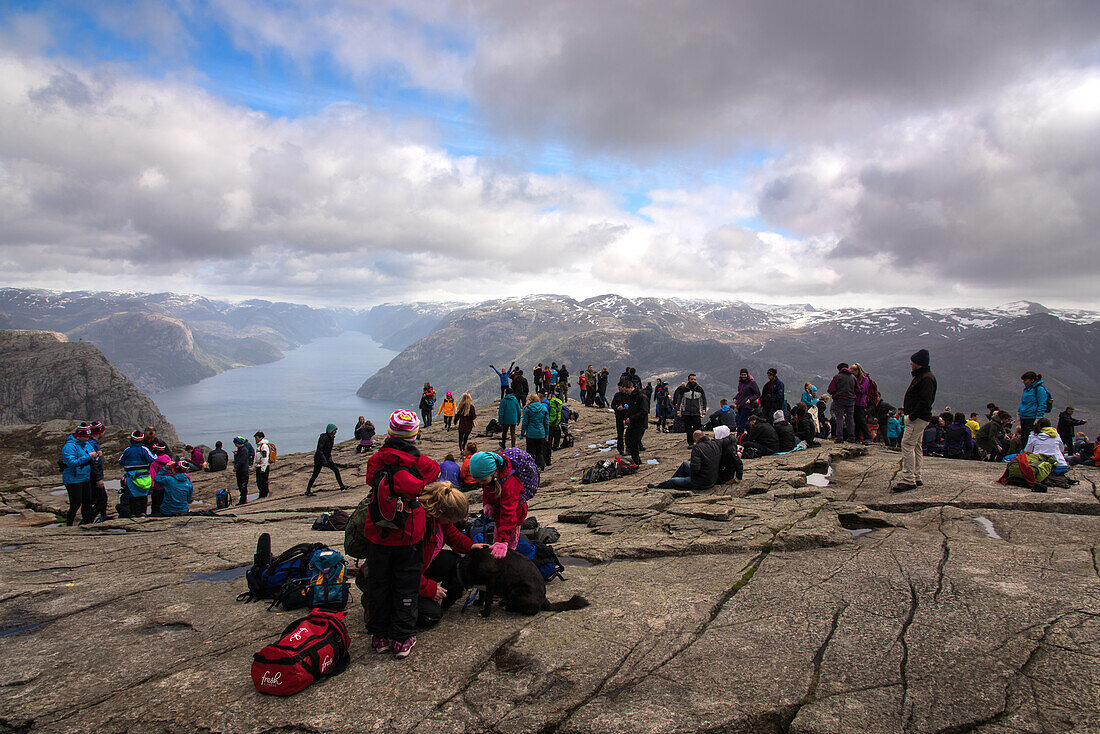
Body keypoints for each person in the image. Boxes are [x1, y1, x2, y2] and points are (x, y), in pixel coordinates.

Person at [363, 410, 441, 660]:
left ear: (389, 433)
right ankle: (401, 638)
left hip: (378, 532)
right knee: (406, 584)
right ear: (414, 436)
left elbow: (369, 481)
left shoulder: (376, 461)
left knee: (379, 583)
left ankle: (380, 636)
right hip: (409, 533)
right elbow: (434, 473)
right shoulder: (423, 464)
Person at [411, 482, 486, 628]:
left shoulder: (438, 519)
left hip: (420, 568)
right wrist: (429, 588)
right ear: (440, 513)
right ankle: (380, 603)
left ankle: (445, 596)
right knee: (432, 615)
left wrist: (471, 546)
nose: (452, 523)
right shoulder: (418, 526)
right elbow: (406, 568)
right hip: (399, 577)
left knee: (454, 560)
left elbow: (453, 536)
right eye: (452, 520)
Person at [467, 451, 527, 559]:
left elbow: (509, 514)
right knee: (497, 537)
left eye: (483, 480)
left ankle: (508, 559)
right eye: (478, 481)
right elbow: (486, 492)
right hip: (499, 513)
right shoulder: (489, 479)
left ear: (494, 472)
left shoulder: (509, 484)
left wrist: (502, 541)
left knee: (508, 547)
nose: (481, 483)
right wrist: (487, 504)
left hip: (514, 516)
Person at [894, 349, 937, 492]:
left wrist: (912, 415)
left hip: (917, 417)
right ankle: (916, 476)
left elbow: (925, 400)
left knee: (907, 445)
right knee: (917, 447)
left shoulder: (925, 378)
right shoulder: (926, 376)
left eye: (912, 362)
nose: (910, 364)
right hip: (921, 417)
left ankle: (908, 479)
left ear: (918, 363)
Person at [648, 429, 742, 491]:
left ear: (696, 440)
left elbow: (695, 469)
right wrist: (732, 437)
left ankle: (658, 488)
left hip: (701, 482)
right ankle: (675, 482)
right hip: (712, 477)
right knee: (685, 463)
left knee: (673, 481)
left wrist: (692, 476)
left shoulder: (697, 448)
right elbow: (727, 440)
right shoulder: (716, 444)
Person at [60, 424, 99, 526]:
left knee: (87, 501)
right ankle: (69, 524)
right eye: (85, 437)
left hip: (85, 477)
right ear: (79, 435)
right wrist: (88, 457)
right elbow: (71, 462)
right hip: (73, 479)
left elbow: (92, 455)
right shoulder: (69, 446)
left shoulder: (86, 444)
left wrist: (96, 455)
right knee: (76, 503)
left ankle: (85, 523)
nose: (87, 439)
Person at [118, 430, 155, 517]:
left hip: (131, 476)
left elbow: (120, 461)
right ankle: (143, 513)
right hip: (143, 475)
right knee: (143, 495)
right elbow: (152, 458)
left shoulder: (127, 450)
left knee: (132, 495)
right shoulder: (144, 449)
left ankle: (133, 513)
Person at [305, 424, 347, 496]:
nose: (335, 431)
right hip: (319, 459)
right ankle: (307, 491)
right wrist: (324, 461)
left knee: (336, 470)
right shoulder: (323, 437)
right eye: (334, 430)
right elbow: (319, 450)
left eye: (336, 430)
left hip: (327, 458)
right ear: (330, 430)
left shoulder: (332, 438)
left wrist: (329, 459)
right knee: (315, 475)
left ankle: (342, 487)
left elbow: (329, 450)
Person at [673, 374, 707, 447]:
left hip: (696, 412)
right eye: (692, 379)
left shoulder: (699, 389)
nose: (693, 381)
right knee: (688, 429)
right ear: (688, 380)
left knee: (697, 429)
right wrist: (678, 411)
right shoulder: (684, 390)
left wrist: (703, 409)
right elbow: (679, 401)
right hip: (686, 412)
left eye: (694, 379)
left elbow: (703, 400)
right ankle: (690, 443)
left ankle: (699, 443)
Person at [620, 379, 648, 465]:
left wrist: (631, 418)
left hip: (640, 424)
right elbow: (630, 410)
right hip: (632, 423)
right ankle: (636, 459)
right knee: (628, 440)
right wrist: (625, 418)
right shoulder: (631, 397)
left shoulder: (641, 397)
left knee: (634, 443)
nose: (626, 392)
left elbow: (644, 412)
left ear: (631, 387)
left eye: (626, 390)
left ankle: (636, 461)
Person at [827, 363, 857, 442]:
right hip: (850, 400)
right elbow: (857, 389)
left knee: (839, 418)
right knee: (850, 418)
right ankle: (852, 436)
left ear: (839, 369)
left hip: (839, 400)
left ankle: (839, 437)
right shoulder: (853, 377)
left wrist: (836, 393)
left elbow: (830, 389)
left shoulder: (837, 377)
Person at [520, 394, 550, 469]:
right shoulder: (544, 409)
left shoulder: (528, 409)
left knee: (530, 452)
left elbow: (524, 423)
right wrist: (546, 435)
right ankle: (540, 467)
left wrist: (522, 434)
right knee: (540, 452)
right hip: (541, 434)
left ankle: (531, 468)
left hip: (530, 434)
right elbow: (546, 423)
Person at [1018, 371, 1052, 436]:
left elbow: (1042, 404)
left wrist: (1039, 417)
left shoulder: (1039, 389)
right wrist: (1019, 412)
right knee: (1024, 436)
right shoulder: (1027, 389)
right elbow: (1023, 402)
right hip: (1024, 416)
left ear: (1032, 380)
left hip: (1032, 417)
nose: (1023, 382)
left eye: (1025, 380)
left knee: (1029, 436)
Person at [88, 421, 108, 521]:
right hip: (94, 477)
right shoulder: (92, 444)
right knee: (102, 499)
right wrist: (98, 478)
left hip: (93, 476)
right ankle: (89, 519)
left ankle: (102, 516)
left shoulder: (91, 443)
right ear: (99, 432)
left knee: (100, 499)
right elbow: (94, 463)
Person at [851, 363, 874, 444]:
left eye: (855, 370)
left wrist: (854, 388)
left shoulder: (865, 379)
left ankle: (868, 437)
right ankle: (857, 437)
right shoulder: (855, 378)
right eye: (852, 370)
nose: (853, 371)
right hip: (855, 402)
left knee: (861, 420)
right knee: (856, 420)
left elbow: (862, 390)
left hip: (861, 402)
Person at [149, 441, 173, 515]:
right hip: (168, 486)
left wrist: (151, 487)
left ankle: (155, 515)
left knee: (156, 504)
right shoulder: (169, 461)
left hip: (157, 487)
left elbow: (152, 475)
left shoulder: (154, 463)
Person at [231, 436, 253, 505]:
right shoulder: (240, 450)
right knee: (240, 485)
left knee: (243, 485)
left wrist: (236, 467)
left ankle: (243, 500)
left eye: (235, 443)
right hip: (240, 471)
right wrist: (236, 455)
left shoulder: (244, 450)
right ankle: (242, 499)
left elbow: (242, 461)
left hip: (243, 471)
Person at [547, 394, 564, 463]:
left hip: (550, 423)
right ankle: (555, 446)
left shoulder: (550, 404)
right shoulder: (559, 405)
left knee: (549, 441)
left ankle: (547, 458)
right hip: (555, 422)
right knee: (555, 434)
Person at [254, 431, 271, 498]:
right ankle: (261, 494)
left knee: (263, 481)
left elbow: (265, 457)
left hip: (263, 466)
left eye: (256, 438)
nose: (255, 439)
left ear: (261, 438)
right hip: (259, 466)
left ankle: (264, 494)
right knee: (259, 482)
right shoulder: (259, 446)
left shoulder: (264, 446)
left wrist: (263, 468)